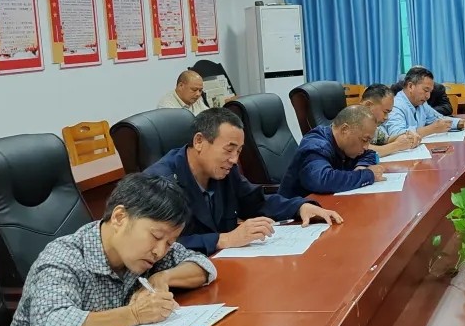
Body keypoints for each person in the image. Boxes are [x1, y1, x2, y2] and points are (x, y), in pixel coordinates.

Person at [0, 174, 217, 326]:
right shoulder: (64, 257)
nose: (160, 251)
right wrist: (135, 314)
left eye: (169, 243)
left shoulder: (146, 254)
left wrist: (163, 277)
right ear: (120, 217)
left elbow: (204, 266)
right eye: (156, 236)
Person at [145, 108, 342, 254]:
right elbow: (159, 244)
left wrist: (299, 207)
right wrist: (224, 239)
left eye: (239, 151)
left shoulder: (224, 170)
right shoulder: (160, 183)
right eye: (229, 149)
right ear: (199, 141)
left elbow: (256, 202)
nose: (234, 159)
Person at [280, 105, 385, 196]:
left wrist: (361, 166)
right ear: (345, 130)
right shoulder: (316, 145)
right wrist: (367, 175)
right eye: (364, 140)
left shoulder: (346, 145)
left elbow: (370, 154)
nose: (366, 147)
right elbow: (321, 180)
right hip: (297, 209)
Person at [387, 66, 465, 138]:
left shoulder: (422, 104)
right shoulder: (395, 106)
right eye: (426, 90)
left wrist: (462, 123)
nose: (428, 96)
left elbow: (438, 120)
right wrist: (430, 129)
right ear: (410, 86)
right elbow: (396, 134)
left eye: (430, 92)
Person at [359, 83, 422, 157]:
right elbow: (362, 149)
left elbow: (386, 140)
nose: (386, 117)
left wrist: (406, 134)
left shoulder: (371, 124)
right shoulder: (353, 122)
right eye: (385, 112)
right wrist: (397, 145)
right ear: (368, 105)